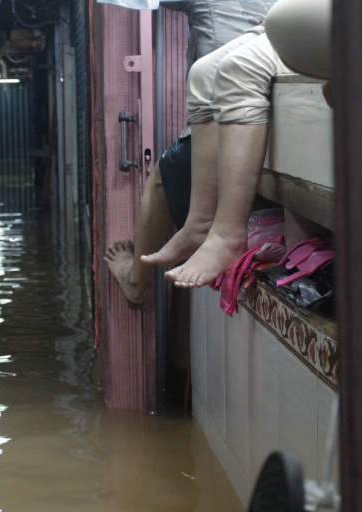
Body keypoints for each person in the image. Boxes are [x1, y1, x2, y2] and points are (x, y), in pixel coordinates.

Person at [104, 0, 277, 307]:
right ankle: (199, 225)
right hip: (262, 110)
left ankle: (136, 282)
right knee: (203, 73)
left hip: (232, 118)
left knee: (166, 169)